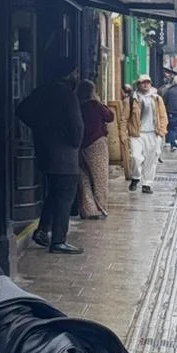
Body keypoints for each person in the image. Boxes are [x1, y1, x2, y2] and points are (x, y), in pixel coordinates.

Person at [16, 62, 83, 254]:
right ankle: (59, 240)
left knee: (54, 194)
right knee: (65, 196)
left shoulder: (42, 91)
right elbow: (76, 128)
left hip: (45, 151)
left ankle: (43, 230)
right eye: (75, 72)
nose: (77, 76)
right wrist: (74, 141)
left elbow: (21, 110)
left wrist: (41, 128)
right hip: (65, 156)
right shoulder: (68, 95)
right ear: (68, 74)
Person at [76, 81, 114, 219]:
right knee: (100, 177)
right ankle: (101, 207)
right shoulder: (95, 105)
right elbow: (110, 116)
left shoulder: (77, 105)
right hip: (97, 143)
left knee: (84, 177)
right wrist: (98, 101)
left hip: (80, 144)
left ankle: (89, 209)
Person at [126, 73, 167, 193]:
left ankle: (147, 184)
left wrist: (161, 132)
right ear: (138, 85)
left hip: (153, 133)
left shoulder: (157, 98)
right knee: (135, 157)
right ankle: (136, 177)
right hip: (136, 134)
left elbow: (163, 116)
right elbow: (124, 118)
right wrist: (123, 134)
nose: (146, 84)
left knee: (151, 159)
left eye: (148, 82)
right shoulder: (132, 99)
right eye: (143, 82)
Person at [165, 78, 177, 151]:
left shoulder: (169, 91)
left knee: (172, 129)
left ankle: (173, 145)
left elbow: (165, 102)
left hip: (172, 113)